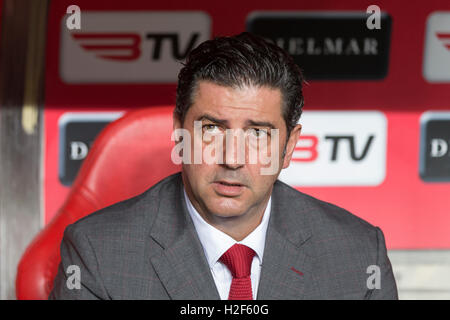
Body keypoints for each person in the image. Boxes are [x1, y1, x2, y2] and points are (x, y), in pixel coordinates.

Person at [49, 32, 398, 300]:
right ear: (179, 132)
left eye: (258, 134)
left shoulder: (359, 254)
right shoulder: (97, 253)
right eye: (211, 129)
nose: (232, 158)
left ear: (289, 146)